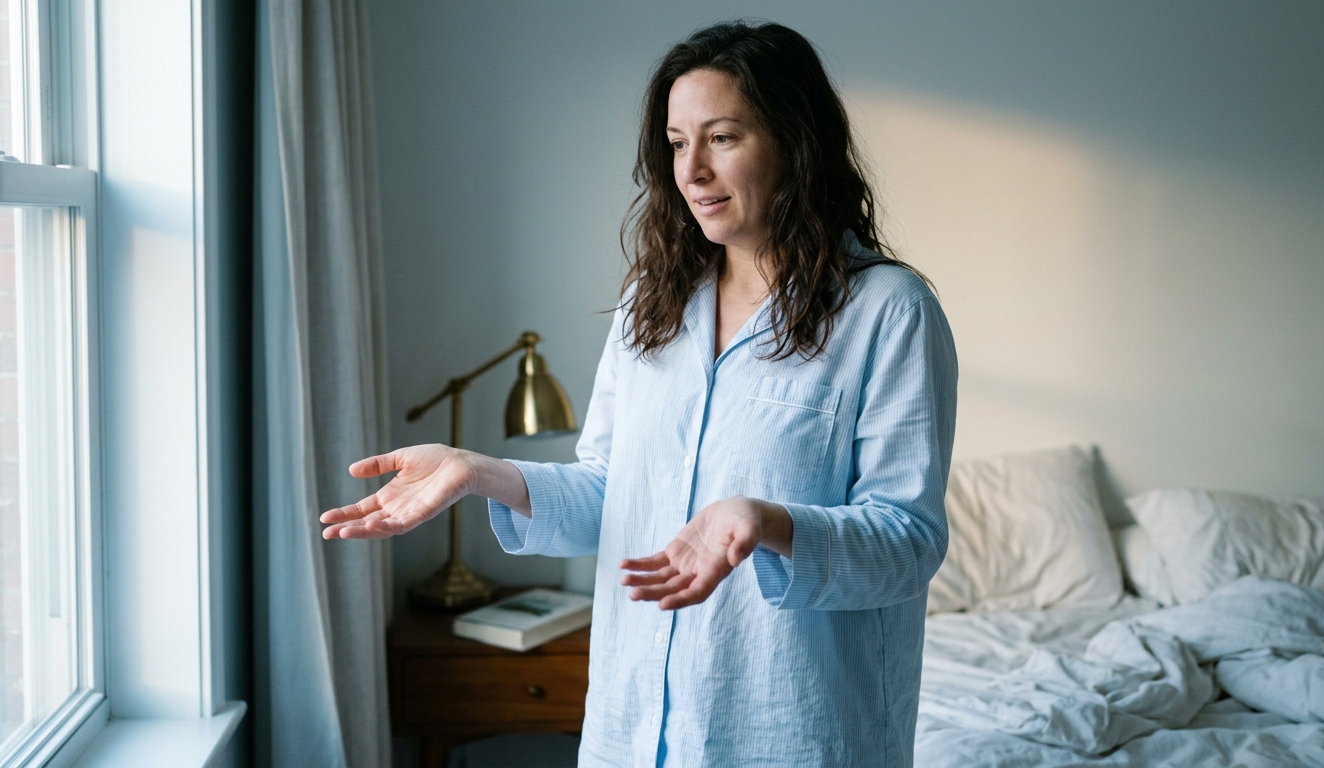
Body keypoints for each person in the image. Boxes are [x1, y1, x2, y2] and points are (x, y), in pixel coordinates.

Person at [322, 20, 957, 768]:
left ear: (796, 141)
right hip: (636, 730)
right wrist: (479, 471)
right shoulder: (651, 304)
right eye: (678, 142)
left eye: (722, 137)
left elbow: (907, 544)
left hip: (794, 733)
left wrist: (767, 521)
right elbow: (610, 491)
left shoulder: (888, 311)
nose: (693, 171)